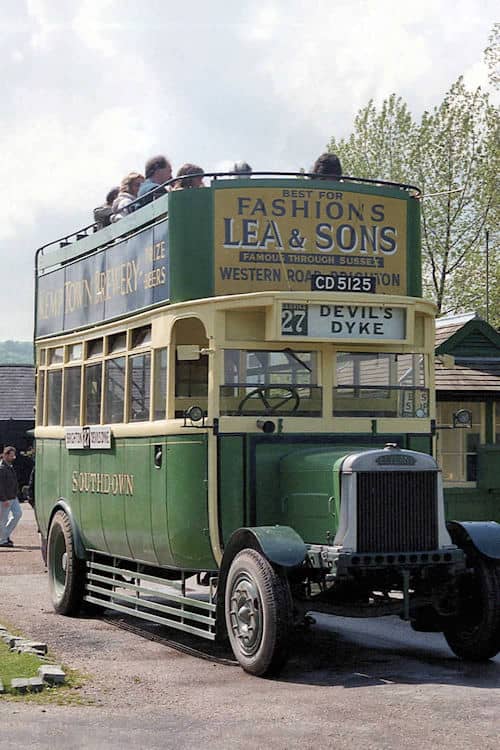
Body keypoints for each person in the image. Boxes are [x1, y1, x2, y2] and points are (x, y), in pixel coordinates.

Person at [0, 446, 22, 548]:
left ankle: (4, 536)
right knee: (3, 520)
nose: (13, 457)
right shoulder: (1, 468)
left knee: (18, 514)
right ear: (5, 455)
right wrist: (3, 498)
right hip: (5, 498)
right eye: (11, 455)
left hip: (13, 496)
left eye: (14, 455)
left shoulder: (9, 466)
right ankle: (3, 540)